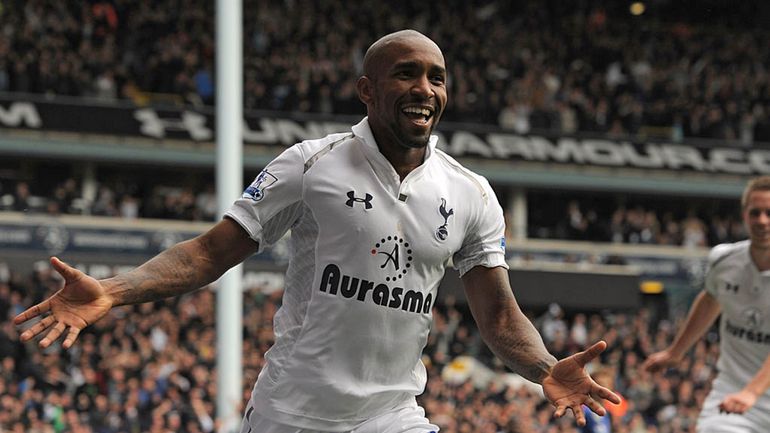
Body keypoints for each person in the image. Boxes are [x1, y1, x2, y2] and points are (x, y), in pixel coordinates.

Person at [14, 29, 618, 432]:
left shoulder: (471, 193)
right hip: (292, 413)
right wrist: (112, 290)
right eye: (406, 74)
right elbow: (208, 254)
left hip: (392, 414)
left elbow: (500, 317)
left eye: (436, 77)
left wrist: (545, 368)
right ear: (366, 91)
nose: (425, 89)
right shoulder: (310, 165)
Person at [643, 175, 770, 432]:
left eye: (769, 213)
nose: (762, 220)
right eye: (755, 213)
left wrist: (752, 392)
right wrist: (675, 352)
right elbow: (711, 298)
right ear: (744, 215)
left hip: (751, 393)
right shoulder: (725, 261)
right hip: (731, 394)